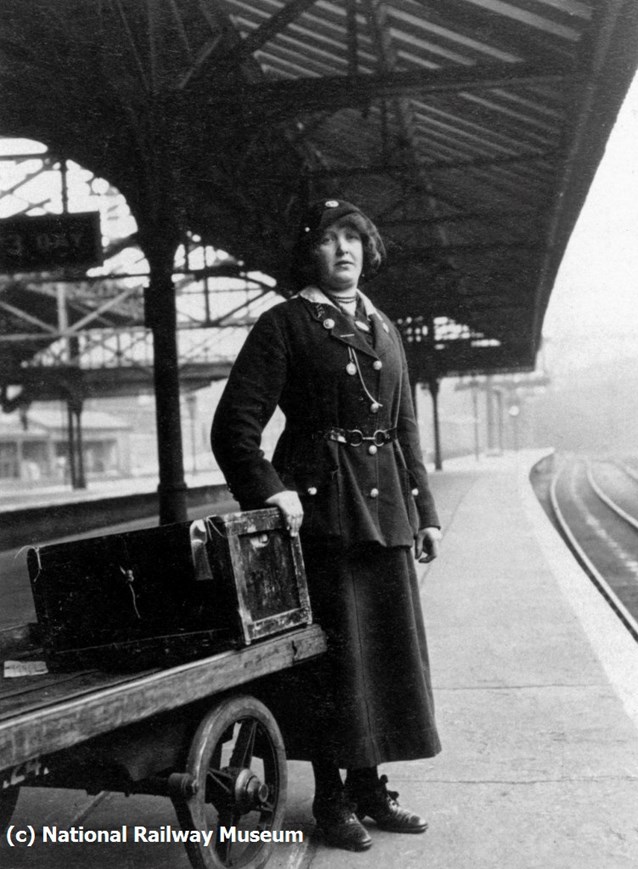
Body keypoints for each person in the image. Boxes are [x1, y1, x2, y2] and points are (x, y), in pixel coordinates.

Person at [211, 199, 442, 852]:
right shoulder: (285, 323)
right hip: (322, 513)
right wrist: (272, 490)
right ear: (307, 253)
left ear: (369, 249)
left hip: (388, 512)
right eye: (327, 239)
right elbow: (234, 427)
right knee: (334, 663)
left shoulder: (385, 328)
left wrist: (426, 512)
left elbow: (403, 428)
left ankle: (371, 788)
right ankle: (331, 796)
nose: (342, 248)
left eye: (353, 237)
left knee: (384, 654)